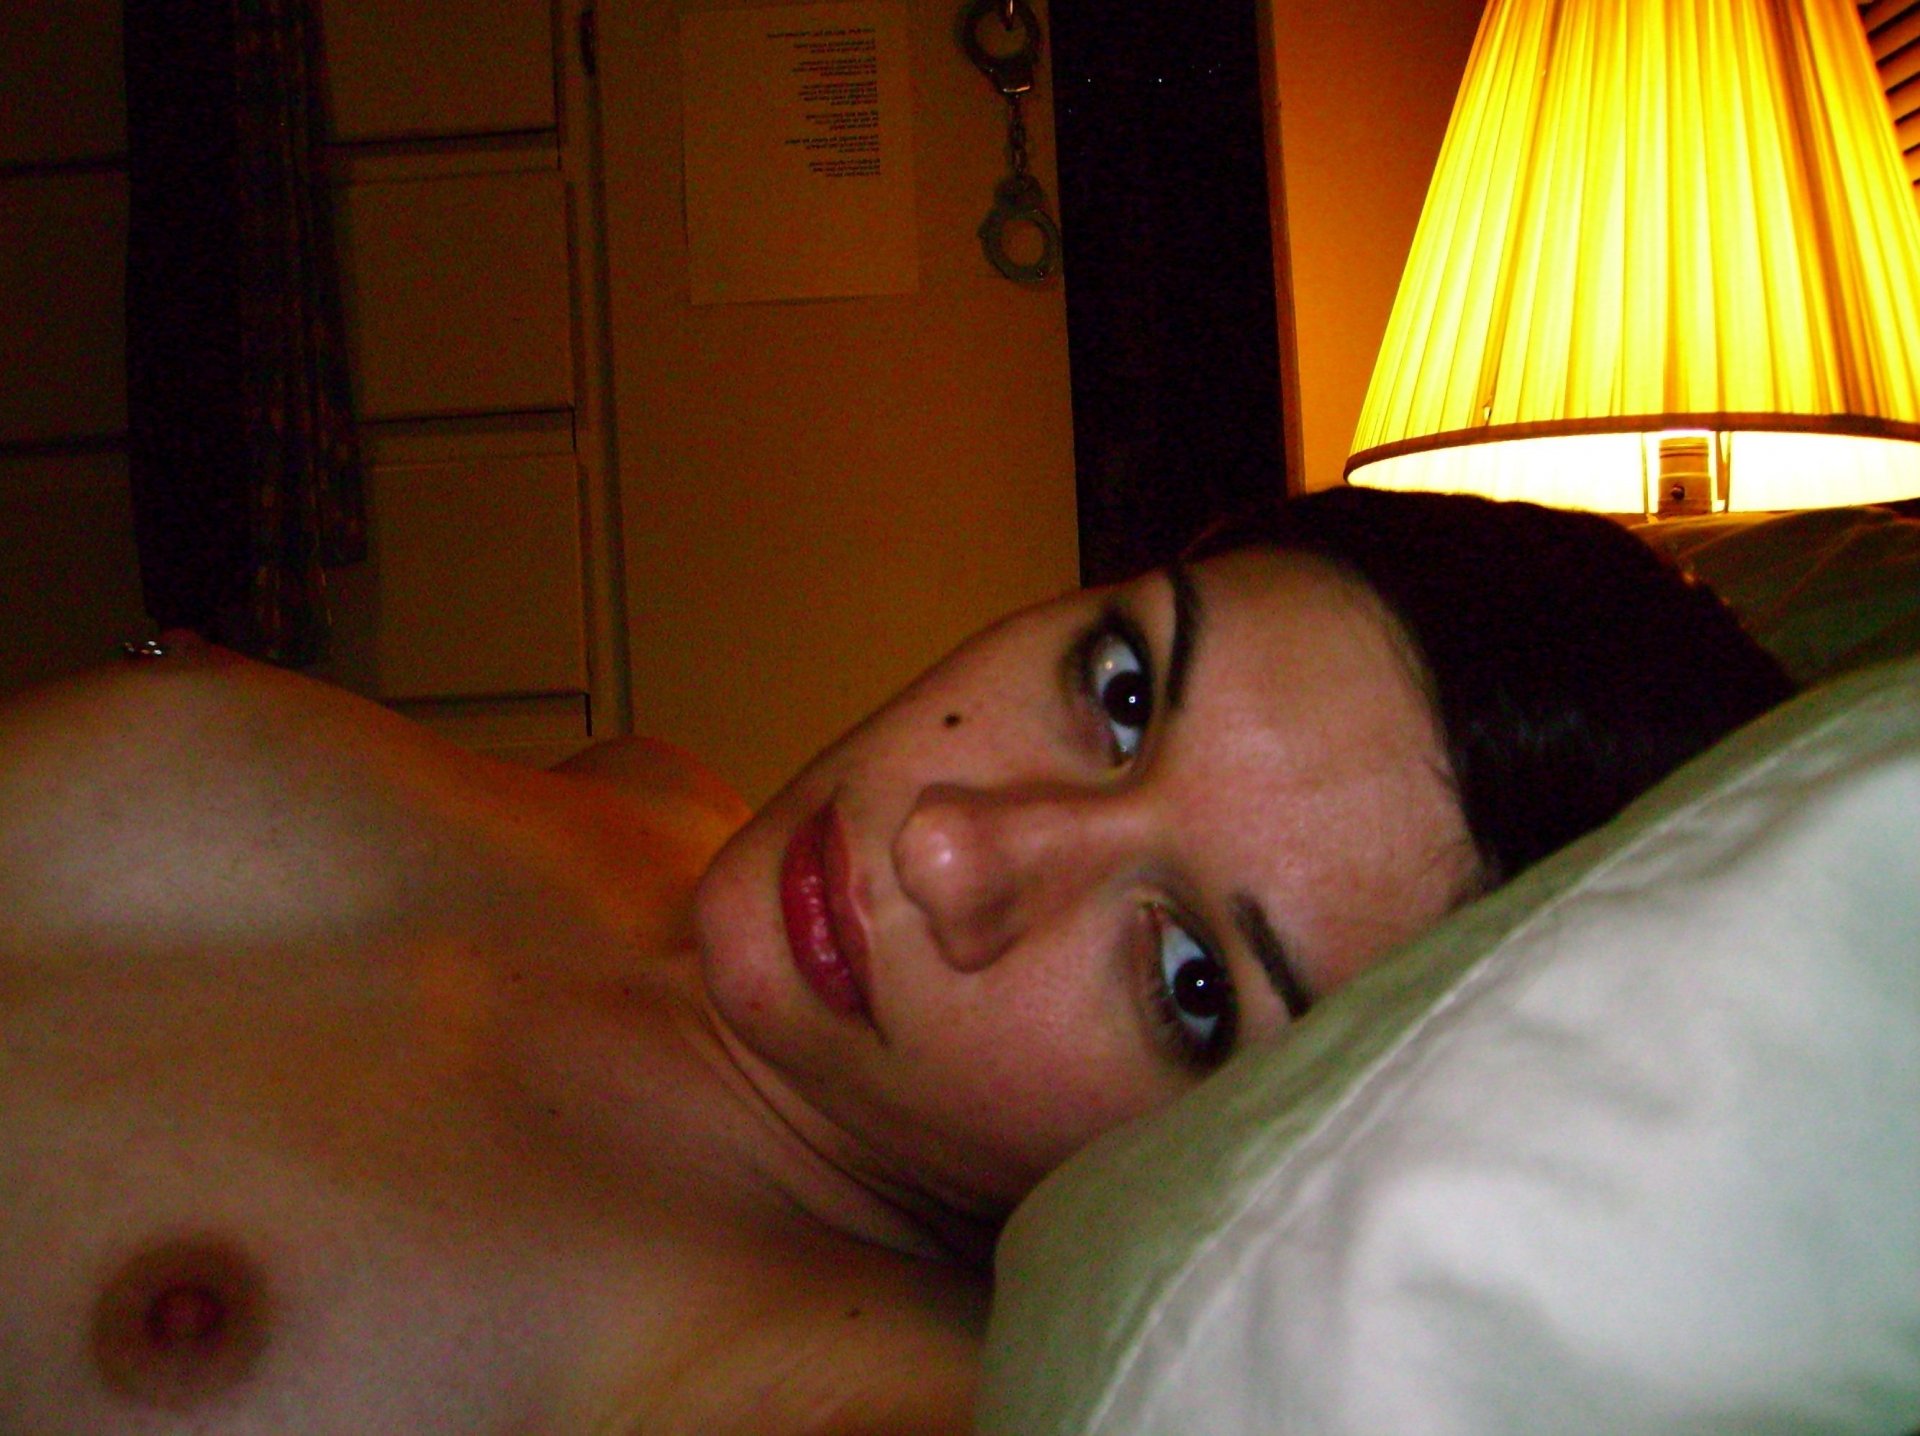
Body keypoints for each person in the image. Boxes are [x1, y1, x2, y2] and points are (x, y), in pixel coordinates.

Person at [0, 488, 1791, 1433]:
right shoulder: (656, 794)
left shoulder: (816, 1388)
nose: (951, 848)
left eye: (1188, 984)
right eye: (1119, 690)